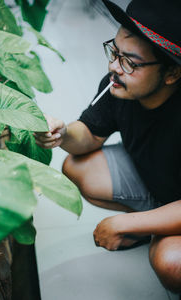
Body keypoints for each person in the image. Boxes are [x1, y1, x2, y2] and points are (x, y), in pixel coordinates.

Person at [34, 0, 181, 294]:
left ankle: (155, 229)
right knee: (77, 165)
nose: (114, 66)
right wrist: (62, 132)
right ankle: (155, 226)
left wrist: (127, 225)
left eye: (129, 62)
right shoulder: (117, 85)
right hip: (163, 190)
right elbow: (88, 133)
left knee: (171, 263)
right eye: (113, 51)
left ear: (171, 74)